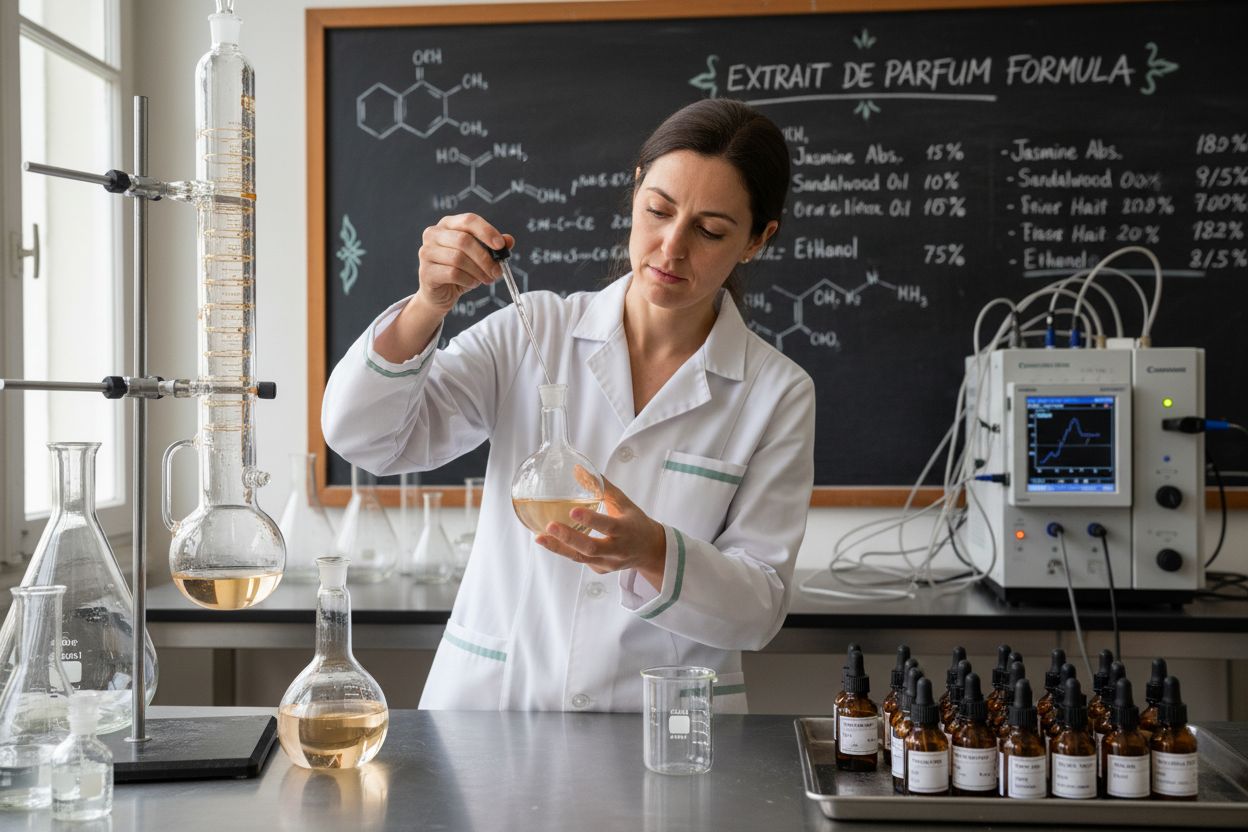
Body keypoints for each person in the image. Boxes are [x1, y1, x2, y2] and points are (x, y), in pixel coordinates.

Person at [322, 98, 815, 712]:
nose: (671, 246)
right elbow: (363, 436)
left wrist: (654, 550)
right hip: (496, 711)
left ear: (756, 240)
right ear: (635, 190)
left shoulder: (775, 392)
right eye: (658, 210)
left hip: (665, 726)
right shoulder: (534, 330)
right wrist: (428, 304)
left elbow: (760, 609)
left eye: (710, 231)